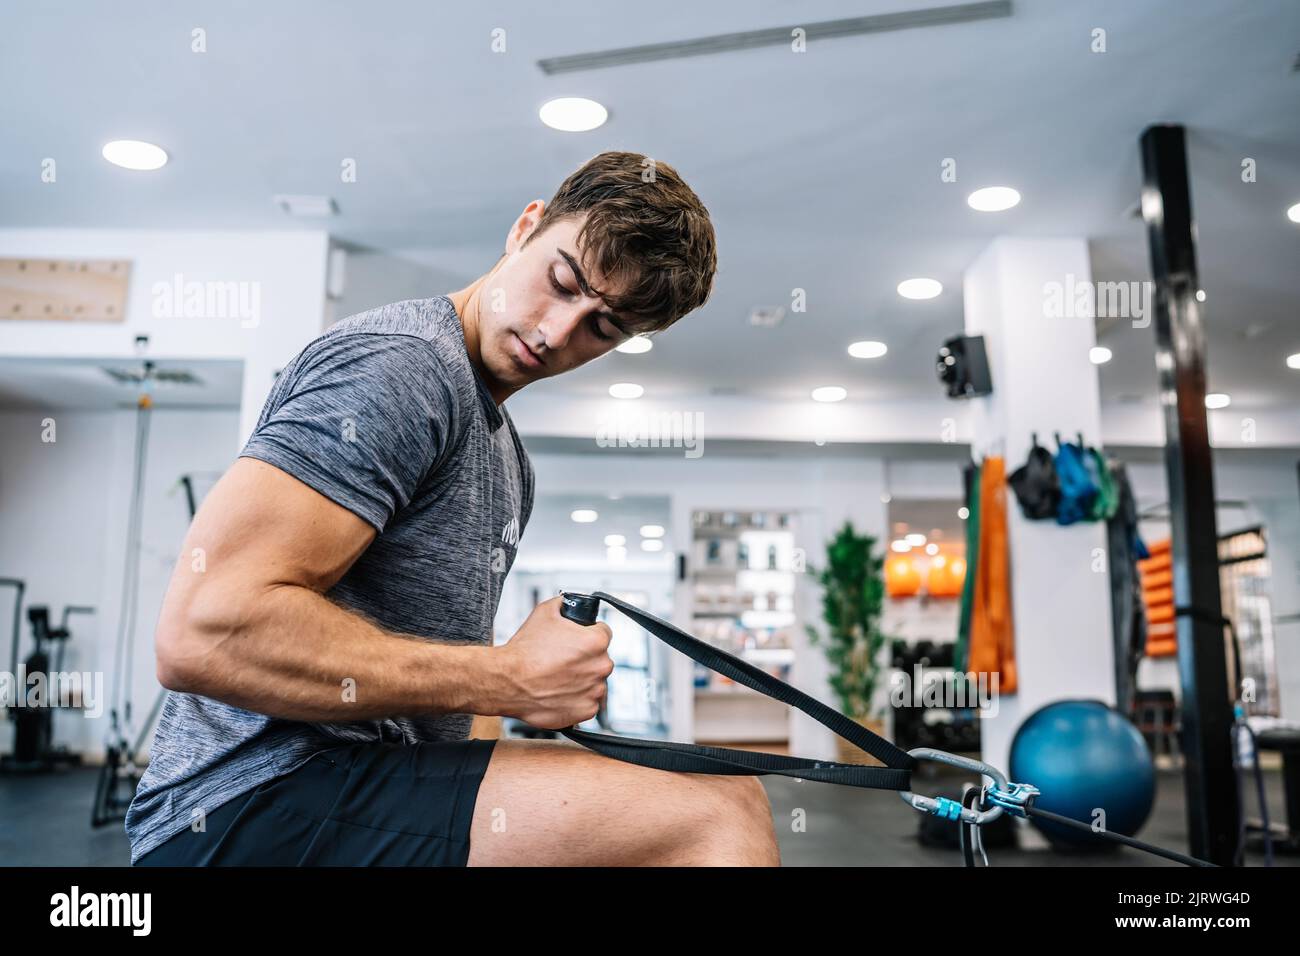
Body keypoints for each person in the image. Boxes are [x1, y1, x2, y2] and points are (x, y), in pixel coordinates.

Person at [128, 151, 780, 866]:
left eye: (603, 327)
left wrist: (503, 705)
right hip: (245, 806)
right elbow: (203, 632)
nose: (558, 332)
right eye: (562, 281)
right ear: (526, 226)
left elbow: (453, 718)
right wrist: (509, 676)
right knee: (719, 810)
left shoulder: (509, 461)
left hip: (370, 790)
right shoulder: (402, 368)